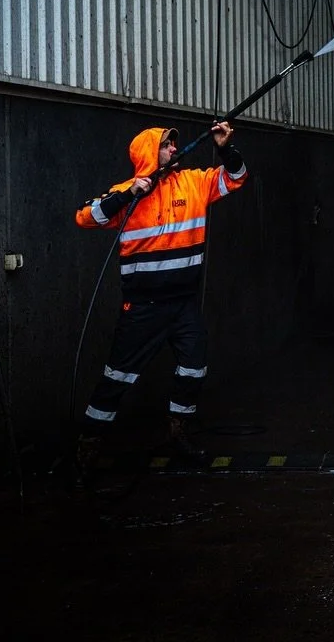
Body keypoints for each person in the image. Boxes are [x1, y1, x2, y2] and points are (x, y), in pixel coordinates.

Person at [72, 121, 248, 481]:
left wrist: (225, 149)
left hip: (183, 304)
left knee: (194, 367)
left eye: (173, 146)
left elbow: (237, 178)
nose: (173, 150)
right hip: (142, 309)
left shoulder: (194, 183)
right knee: (117, 378)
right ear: (148, 154)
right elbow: (85, 217)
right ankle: (87, 447)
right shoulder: (129, 192)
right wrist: (129, 193)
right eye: (166, 146)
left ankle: (176, 435)